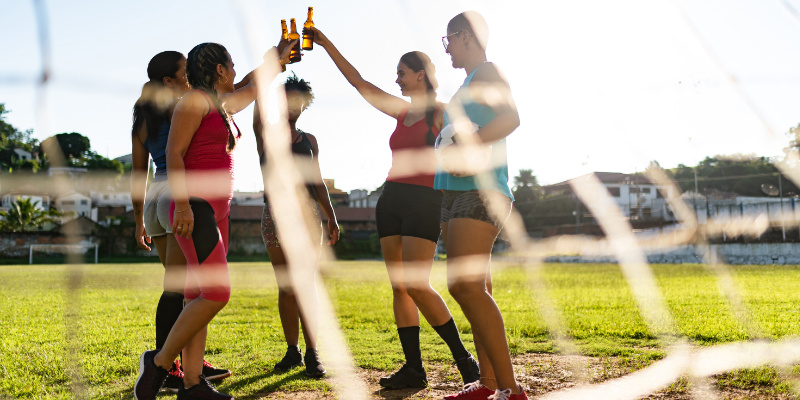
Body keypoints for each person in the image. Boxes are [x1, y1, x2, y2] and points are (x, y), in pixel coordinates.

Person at [310, 27, 480, 389]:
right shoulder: (403, 113)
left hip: (425, 201)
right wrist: (326, 44)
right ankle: (414, 369)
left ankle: (466, 362)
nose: (397, 79)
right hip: (391, 201)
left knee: (417, 284)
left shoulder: (441, 113)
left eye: (402, 72)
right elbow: (359, 83)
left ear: (420, 74)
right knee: (399, 287)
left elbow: (469, 146)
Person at [134, 41, 294, 400]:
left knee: (196, 296)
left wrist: (277, 59)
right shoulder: (193, 102)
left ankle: (192, 385)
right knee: (217, 293)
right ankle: (158, 363)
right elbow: (173, 154)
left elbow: (254, 87)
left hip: (218, 210)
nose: (235, 72)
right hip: (196, 207)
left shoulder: (218, 105)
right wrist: (186, 206)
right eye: (232, 66)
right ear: (220, 70)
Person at [436, 11, 528, 400]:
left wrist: (468, 146)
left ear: (466, 37)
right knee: (479, 286)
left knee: (464, 285)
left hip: (482, 191)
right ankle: (488, 383)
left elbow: (510, 118)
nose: (447, 48)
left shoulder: (489, 73)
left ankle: (510, 389)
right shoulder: (466, 84)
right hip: (456, 193)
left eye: (449, 40)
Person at [130, 51, 230, 393]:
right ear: (170, 81)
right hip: (178, 191)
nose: (190, 78)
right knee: (187, 289)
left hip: (155, 198)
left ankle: (179, 364)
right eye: (184, 73)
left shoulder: (142, 118)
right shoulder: (186, 104)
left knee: (178, 285)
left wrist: (137, 220)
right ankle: (166, 363)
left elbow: (137, 173)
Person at [251, 73, 339, 378]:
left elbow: (317, 183)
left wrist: (331, 215)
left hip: (307, 216)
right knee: (286, 286)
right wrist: (273, 68)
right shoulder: (265, 132)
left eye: (300, 101)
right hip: (273, 215)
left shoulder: (309, 141)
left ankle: (314, 354)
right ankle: (293, 351)